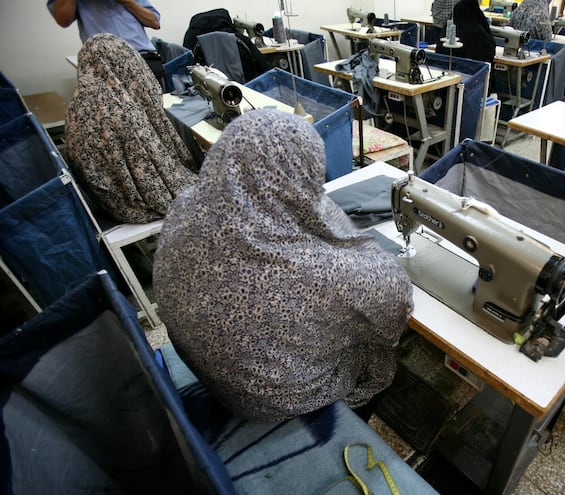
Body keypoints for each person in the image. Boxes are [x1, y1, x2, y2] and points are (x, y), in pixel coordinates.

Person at [153, 109, 415, 423]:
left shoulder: (184, 208)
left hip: (211, 374)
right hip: (275, 403)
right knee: (380, 355)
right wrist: (332, 225)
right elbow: (397, 303)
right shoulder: (321, 272)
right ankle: (355, 419)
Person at [65, 34, 197, 224]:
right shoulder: (119, 114)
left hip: (106, 200)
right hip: (131, 205)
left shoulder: (83, 100)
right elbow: (153, 187)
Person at [47, 0, 165, 85]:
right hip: (107, 65)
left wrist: (127, 2)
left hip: (144, 59)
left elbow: (154, 22)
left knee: (156, 115)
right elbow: (63, 19)